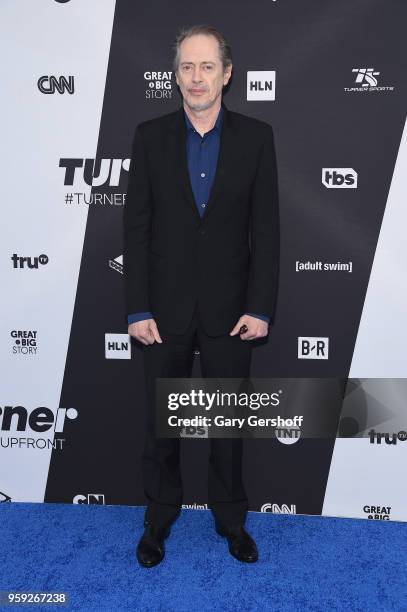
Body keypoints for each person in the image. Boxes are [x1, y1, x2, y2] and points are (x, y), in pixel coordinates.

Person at [123, 24, 280, 567]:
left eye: (207, 66)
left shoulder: (258, 138)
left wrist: (260, 307)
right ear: (176, 74)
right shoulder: (149, 137)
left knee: (228, 426)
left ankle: (231, 521)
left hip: (231, 309)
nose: (196, 77)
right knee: (161, 426)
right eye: (187, 66)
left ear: (226, 74)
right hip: (162, 311)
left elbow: (268, 231)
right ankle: (158, 518)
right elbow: (135, 230)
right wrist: (137, 307)